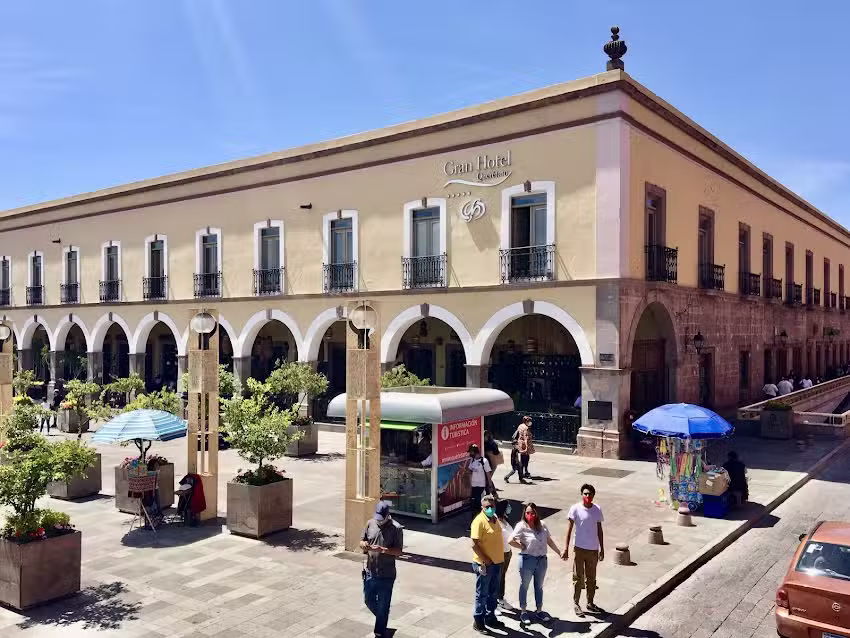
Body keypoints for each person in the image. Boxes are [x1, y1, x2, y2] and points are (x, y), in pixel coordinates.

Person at [508, 502, 564, 626]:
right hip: (528, 560)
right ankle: (523, 611)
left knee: (539, 586)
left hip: (541, 561)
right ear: (524, 514)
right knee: (525, 586)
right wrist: (521, 546)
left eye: (532, 513)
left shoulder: (542, 525)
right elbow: (510, 540)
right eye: (528, 513)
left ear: (536, 513)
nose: (530, 515)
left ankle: (539, 610)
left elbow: (549, 540)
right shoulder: (521, 526)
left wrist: (559, 552)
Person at [360, 501, 404, 638]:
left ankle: (380, 631)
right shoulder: (370, 523)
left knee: (383, 604)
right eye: (377, 518)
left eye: (381, 518)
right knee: (368, 600)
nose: (378, 521)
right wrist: (364, 545)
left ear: (387, 516)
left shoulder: (396, 528)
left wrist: (383, 550)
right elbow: (362, 540)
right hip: (370, 571)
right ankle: (382, 617)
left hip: (386, 574)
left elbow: (399, 552)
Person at [564, 483, 604, 618]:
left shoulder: (597, 509)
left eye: (590, 494)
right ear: (582, 495)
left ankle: (590, 602)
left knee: (591, 578)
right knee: (578, 577)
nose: (587, 496)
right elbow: (569, 529)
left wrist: (602, 548)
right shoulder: (575, 509)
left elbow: (599, 530)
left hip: (593, 550)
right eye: (585, 493)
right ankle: (576, 603)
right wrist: (566, 548)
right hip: (580, 549)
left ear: (593, 495)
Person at [471, 494, 505, 633]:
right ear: (482, 508)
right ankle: (478, 621)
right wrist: (485, 559)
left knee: (493, 593)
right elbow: (474, 544)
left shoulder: (495, 519)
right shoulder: (479, 521)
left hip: (497, 563)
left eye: (492, 506)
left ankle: (490, 617)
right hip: (485, 565)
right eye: (487, 507)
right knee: (482, 594)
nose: (490, 509)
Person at [467, 444, 493, 529]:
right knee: (474, 506)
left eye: (470, 452)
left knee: (479, 506)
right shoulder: (472, 461)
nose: (469, 453)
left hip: (481, 487)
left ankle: (480, 524)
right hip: (474, 487)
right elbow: (469, 470)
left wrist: (490, 485)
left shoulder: (484, 461)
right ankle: (475, 524)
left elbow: (488, 474)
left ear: (474, 452)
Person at [495, 499, 514, 612]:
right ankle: (494, 602)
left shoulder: (505, 520)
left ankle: (500, 598)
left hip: (507, 553)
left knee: (502, 577)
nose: (509, 508)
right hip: (500, 554)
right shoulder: (497, 522)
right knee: (497, 578)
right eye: (508, 506)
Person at [514, 416, 535, 480]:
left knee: (522, 458)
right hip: (525, 444)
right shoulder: (526, 428)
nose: (530, 423)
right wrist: (526, 447)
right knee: (525, 459)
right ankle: (524, 472)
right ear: (527, 421)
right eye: (529, 421)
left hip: (520, 443)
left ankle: (522, 472)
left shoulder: (520, 426)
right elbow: (526, 438)